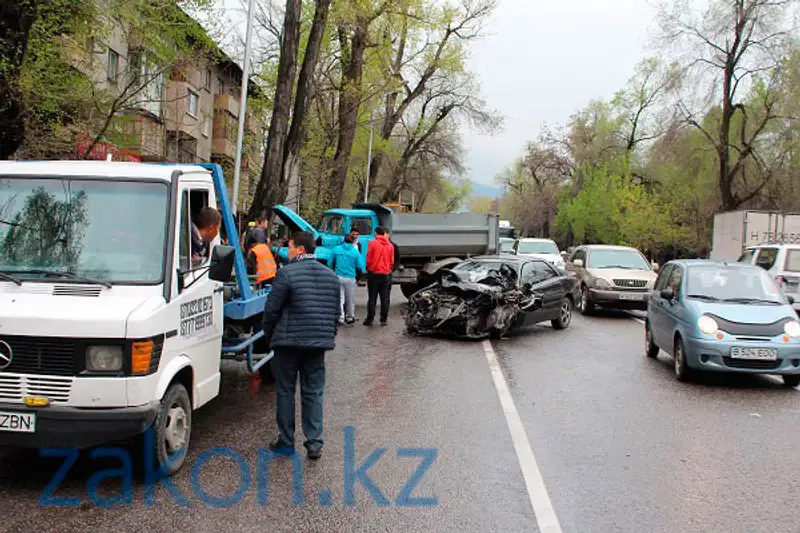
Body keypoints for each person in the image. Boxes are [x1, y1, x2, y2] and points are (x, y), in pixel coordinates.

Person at [262, 231, 340, 460]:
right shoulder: (330, 275)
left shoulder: (286, 273)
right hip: (317, 345)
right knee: (313, 392)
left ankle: (286, 440)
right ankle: (314, 443)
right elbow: (336, 313)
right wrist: (327, 336)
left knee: (286, 391)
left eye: (291, 247)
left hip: (288, 344)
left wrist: (270, 336)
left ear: (301, 250)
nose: (288, 250)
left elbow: (272, 310)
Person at [330, 234, 365, 325]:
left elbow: (330, 263)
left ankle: (340, 318)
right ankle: (349, 317)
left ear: (343, 240)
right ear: (352, 241)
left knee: (340, 299)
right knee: (350, 299)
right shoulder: (355, 252)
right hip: (350, 277)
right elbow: (360, 266)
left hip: (338, 276)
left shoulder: (336, 249)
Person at [364, 226, 395, 326]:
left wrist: (369, 268)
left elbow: (368, 258)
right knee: (384, 298)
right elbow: (392, 261)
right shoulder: (390, 246)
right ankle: (383, 319)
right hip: (385, 273)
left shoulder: (372, 243)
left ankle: (370, 319)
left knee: (372, 297)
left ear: (376, 233)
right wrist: (388, 269)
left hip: (373, 273)